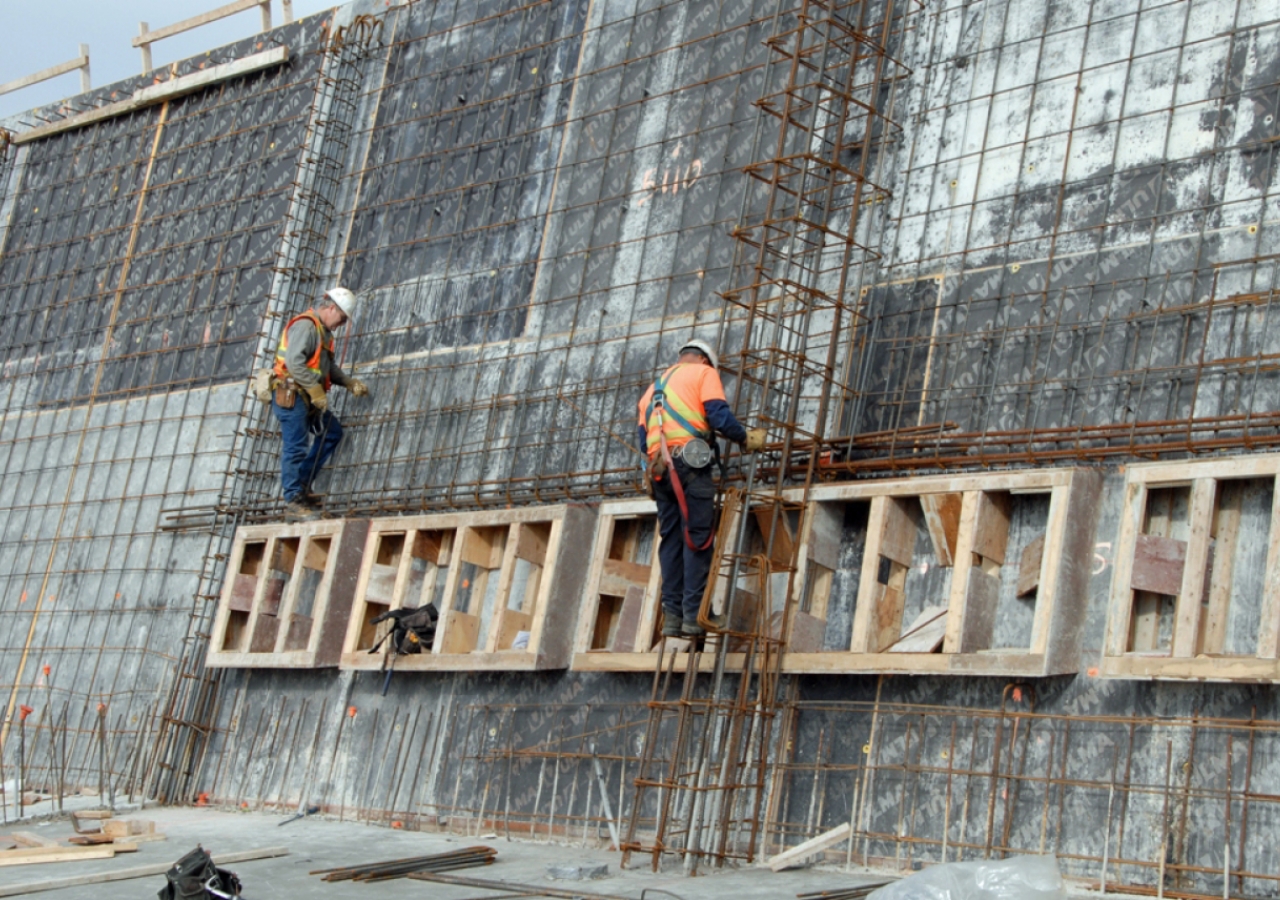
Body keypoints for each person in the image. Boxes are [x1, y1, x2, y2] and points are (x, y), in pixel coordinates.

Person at [637, 340, 766, 639]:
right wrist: (745, 437)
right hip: (689, 469)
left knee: (671, 541)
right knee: (698, 539)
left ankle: (673, 616)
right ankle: (695, 616)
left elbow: (645, 442)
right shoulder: (703, 374)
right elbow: (719, 417)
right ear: (705, 361)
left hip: (660, 472)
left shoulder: (652, 390)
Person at [272, 287, 369, 518]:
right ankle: (294, 499)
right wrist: (316, 391)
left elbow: (325, 367)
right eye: (342, 318)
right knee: (295, 447)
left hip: (309, 398)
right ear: (332, 308)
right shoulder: (306, 326)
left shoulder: (324, 333)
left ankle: (302, 483)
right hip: (292, 395)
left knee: (331, 432)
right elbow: (294, 363)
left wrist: (348, 382)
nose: (342, 324)